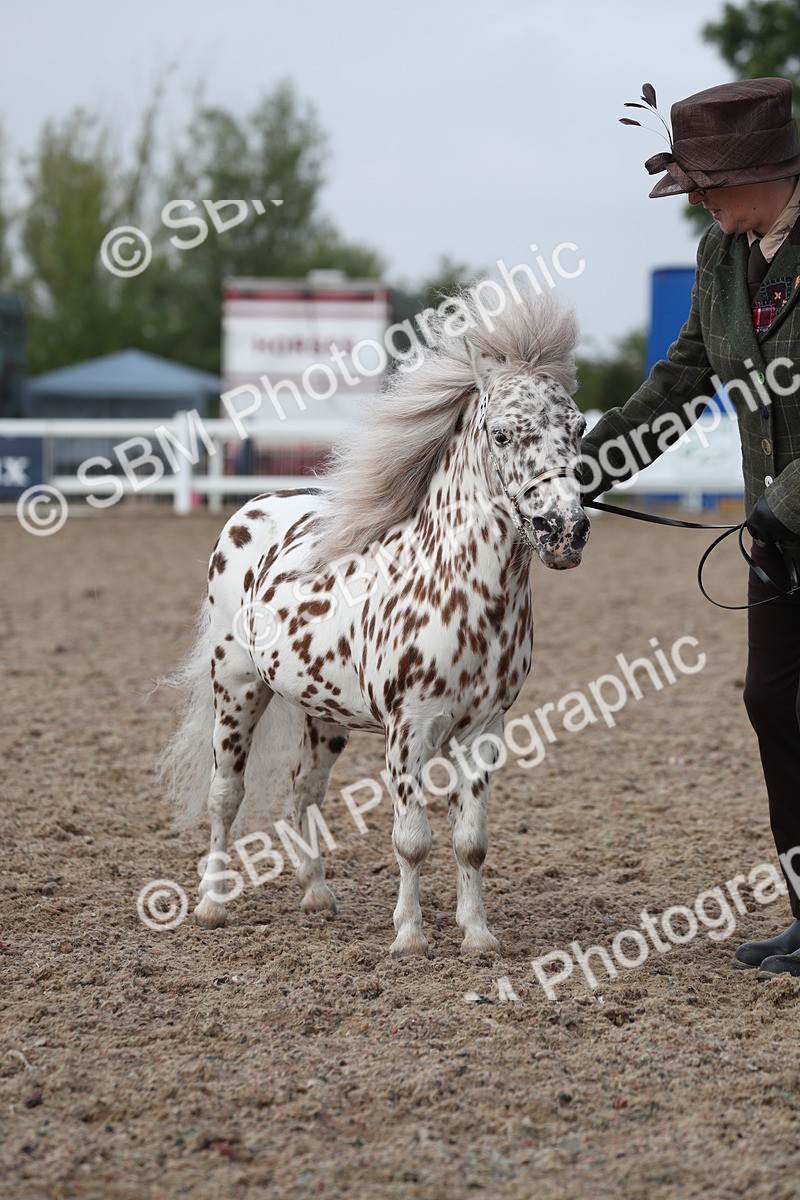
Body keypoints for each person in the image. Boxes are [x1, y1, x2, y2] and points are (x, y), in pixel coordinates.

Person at [579, 77, 800, 977]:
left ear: (769, 170)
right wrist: (584, 472)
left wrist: (781, 502)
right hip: (781, 546)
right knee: (770, 705)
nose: (700, 201)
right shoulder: (721, 258)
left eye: (709, 183)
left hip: (781, 517)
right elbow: (680, 379)